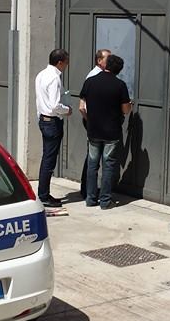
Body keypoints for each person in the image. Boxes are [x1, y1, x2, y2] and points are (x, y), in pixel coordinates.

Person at [79, 55, 132, 209]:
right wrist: (129, 105)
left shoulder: (90, 81)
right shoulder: (120, 85)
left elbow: (81, 107)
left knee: (92, 165)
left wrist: (90, 120)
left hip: (93, 131)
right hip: (111, 132)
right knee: (108, 165)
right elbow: (125, 110)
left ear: (106, 65)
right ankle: (105, 201)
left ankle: (90, 199)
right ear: (119, 70)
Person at [34, 48, 72, 207]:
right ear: (60, 62)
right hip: (52, 122)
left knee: (47, 158)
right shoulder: (54, 78)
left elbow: (39, 100)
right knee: (49, 160)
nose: (67, 66)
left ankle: (43, 193)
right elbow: (55, 105)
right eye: (66, 62)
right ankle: (43, 195)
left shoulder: (41, 74)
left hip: (44, 119)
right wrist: (67, 110)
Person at [80, 48, 111, 197]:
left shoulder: (101, 75)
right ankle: (87, 190)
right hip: (93, 121)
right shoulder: (93, 76)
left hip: (94, 121)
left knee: (93, 157)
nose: (110, 61)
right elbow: (83, 106)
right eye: (107, 59)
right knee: (93, 158)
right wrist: (90, 121)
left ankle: (88, 190)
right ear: (99, 61)